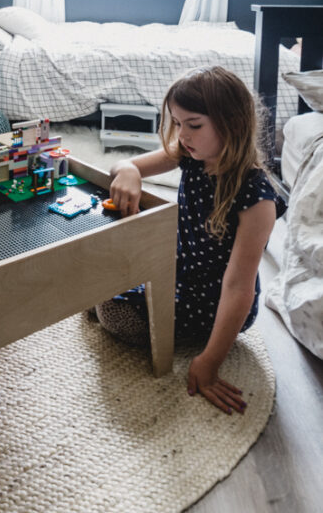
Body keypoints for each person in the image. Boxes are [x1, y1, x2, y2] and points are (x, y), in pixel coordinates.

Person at [96, 65, 286, 416]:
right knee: (100, 259)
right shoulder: (190, 156)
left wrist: (210, 362)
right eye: (178, 123)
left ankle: (196, 339)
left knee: (110, 309)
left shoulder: (257, 199)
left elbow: (238, 287)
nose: (182, 135)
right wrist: (128, 172)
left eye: (193, 125)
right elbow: (125, 163)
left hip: (214, 300)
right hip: (180, 267)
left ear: (233, 123)